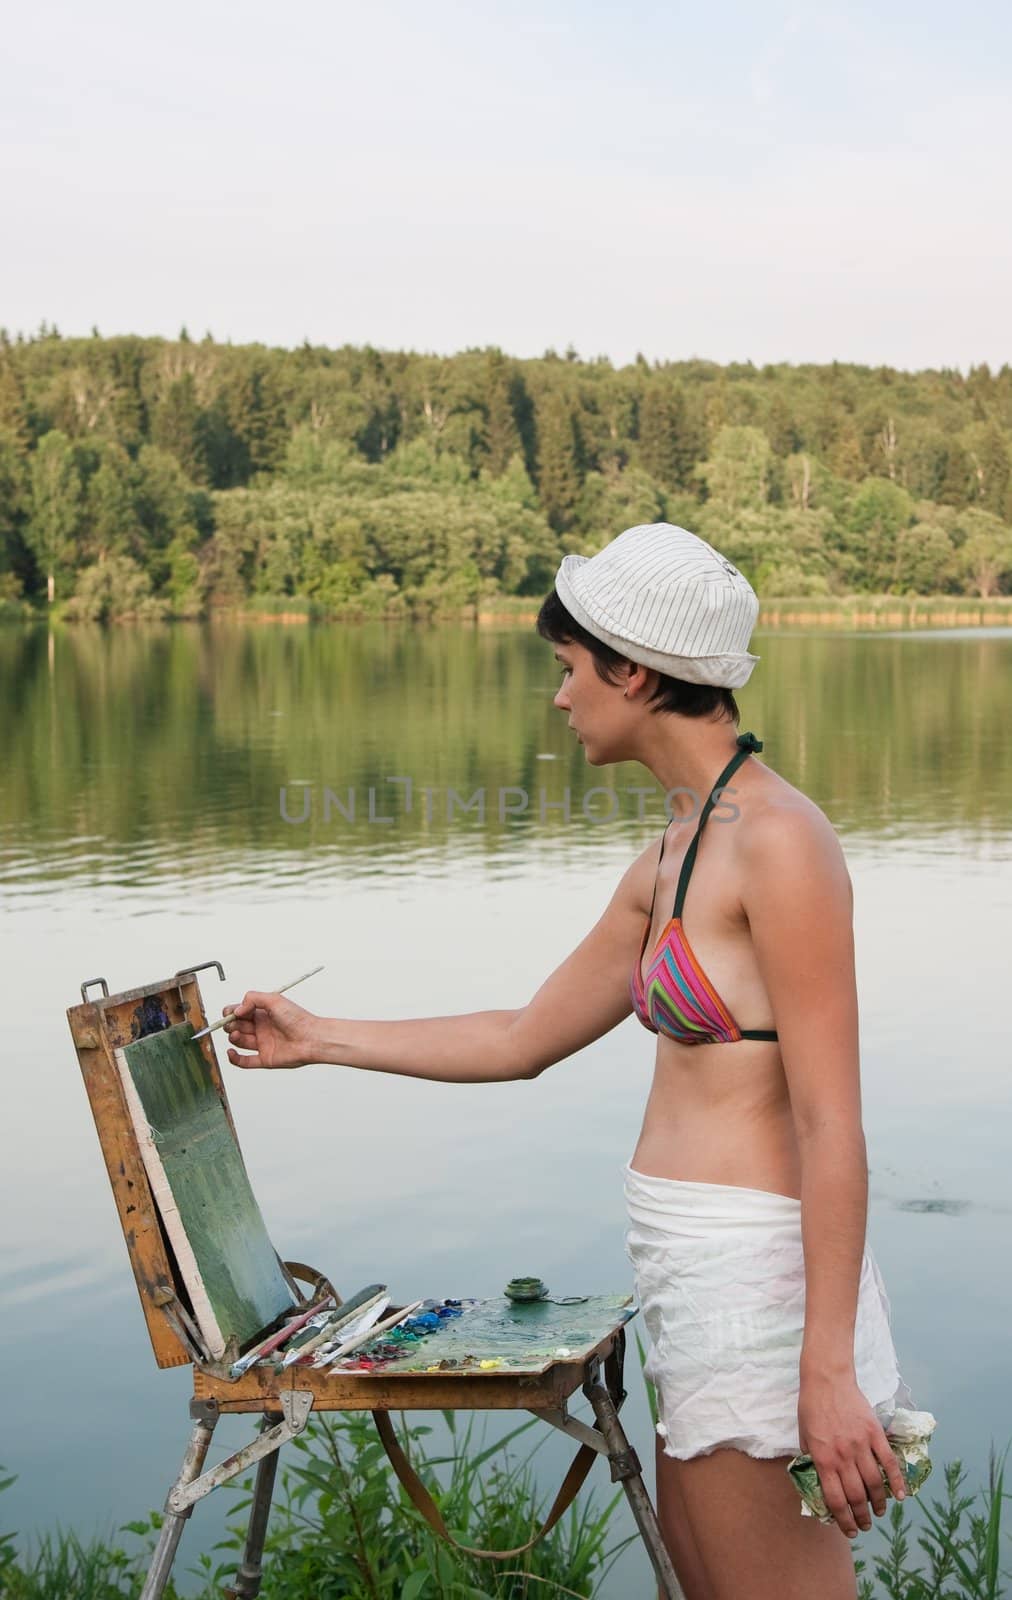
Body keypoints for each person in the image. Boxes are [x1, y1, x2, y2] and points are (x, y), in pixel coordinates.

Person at [222, 522, 915, 1600]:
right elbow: (522, 1035)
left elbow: (833, 1123)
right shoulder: (673, 851)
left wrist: (824, 1371)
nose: (558, 698)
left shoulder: (781, 843)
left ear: (632, 670)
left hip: (760, 1293)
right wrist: (320, 1039)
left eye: (567, 667)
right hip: (689, 1279)